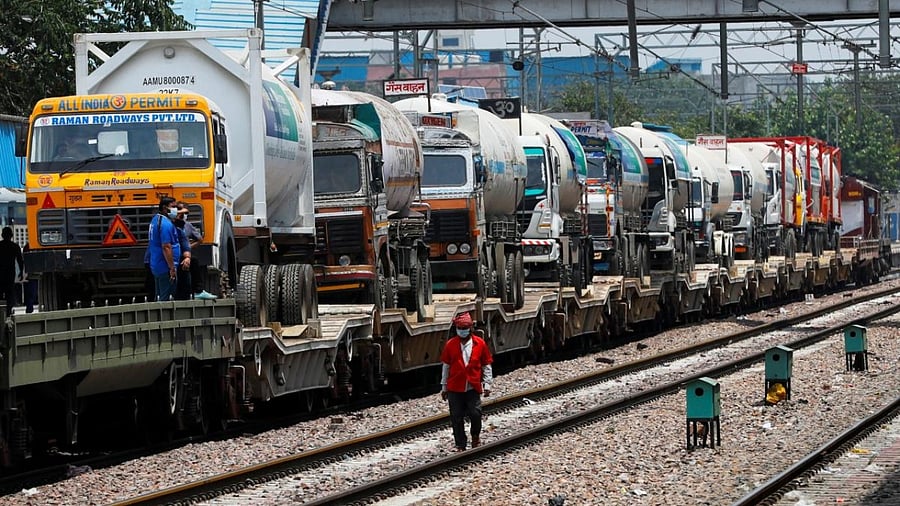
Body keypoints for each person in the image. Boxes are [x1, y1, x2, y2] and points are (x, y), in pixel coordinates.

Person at [440, 311, 493, 451]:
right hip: (454, 388)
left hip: (472, 387)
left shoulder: (479, 344)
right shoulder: (450, 345)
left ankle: (475, 436)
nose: (462, 331)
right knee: (456, 417)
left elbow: (486, 364)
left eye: (465, 329)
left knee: (475, 414)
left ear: (470, 329)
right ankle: (460, 444)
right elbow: (446, 367)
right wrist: (444, 387)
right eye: (460, 329)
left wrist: (487, 384)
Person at [175, 202, 216, 300]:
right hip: (171, 255)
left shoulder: (187, 226)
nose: (184, 216)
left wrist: (187, 249)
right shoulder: (170, 225)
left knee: (193, 262)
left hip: (182, 255)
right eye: (181, 212)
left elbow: (199, 239)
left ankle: (198, 291)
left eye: (186, 214)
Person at [147, 197, 180, 301]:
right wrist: (172, 268)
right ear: (165, 208)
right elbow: (166, 247)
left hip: (157, 264)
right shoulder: (165, 224)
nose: (176, 210)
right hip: (164, 266)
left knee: (160, 295)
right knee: (166, 298)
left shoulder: (155, 220)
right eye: (173, 207)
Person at [0, 227, 24, 315]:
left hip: (0, 274)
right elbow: (20, 261)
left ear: (2, 235)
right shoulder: (15, 247)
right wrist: (21, 272)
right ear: (11, 236)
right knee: (9, 294)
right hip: (10, 274)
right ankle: (8, 313)